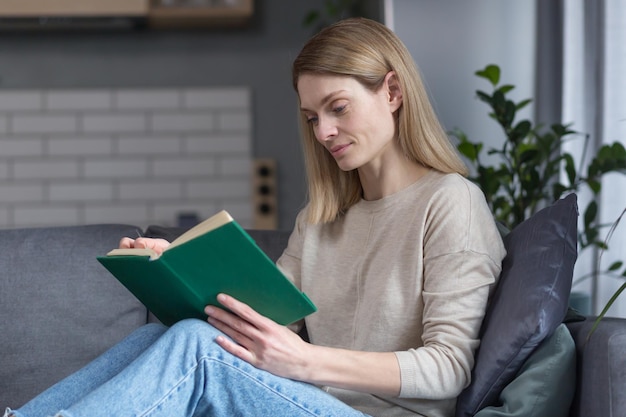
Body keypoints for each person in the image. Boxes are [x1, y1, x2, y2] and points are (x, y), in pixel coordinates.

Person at [5, 17, 505, 417]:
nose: (325, 131)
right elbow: (261, 310)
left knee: (198, 349)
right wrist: (176, 264)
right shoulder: (321, 219)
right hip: (307, 399)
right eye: (312, 118)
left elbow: (449, 367)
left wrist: (306, 361)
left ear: (392, 93)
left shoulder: (449, 202)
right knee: (155, 335)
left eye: (338, 108)